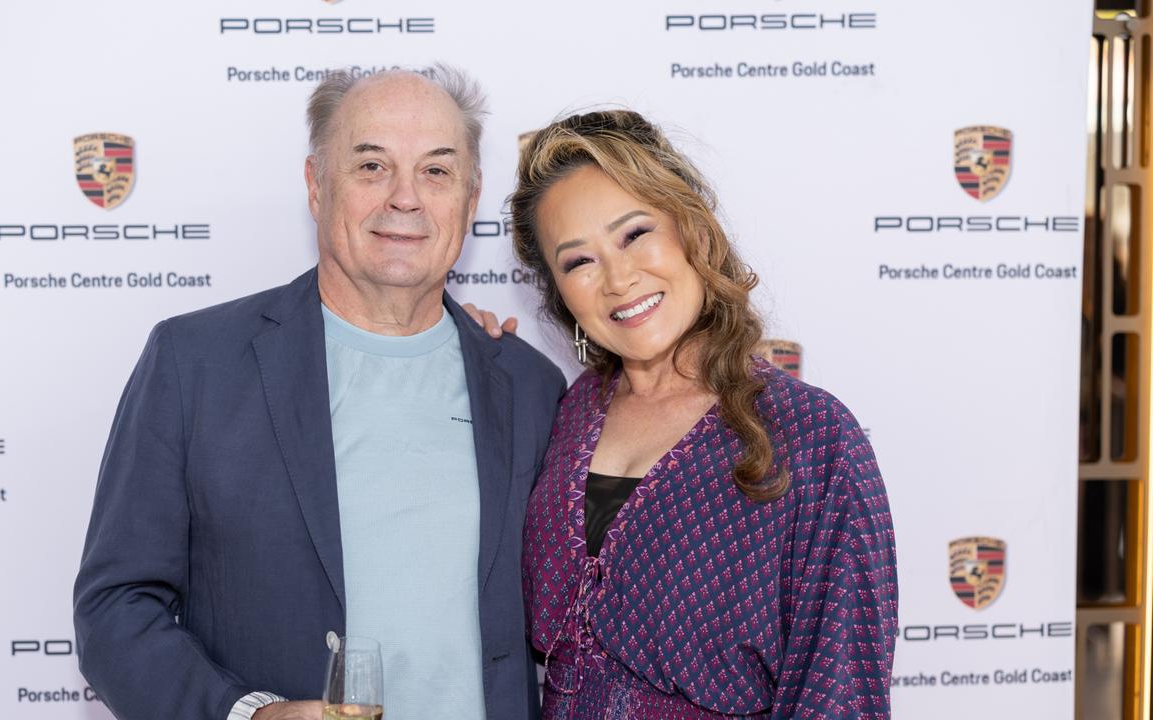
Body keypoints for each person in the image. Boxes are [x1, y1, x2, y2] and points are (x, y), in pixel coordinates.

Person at [72, 66, 565, 720]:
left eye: (437, 171)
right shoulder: (194, 364)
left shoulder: (530, 385)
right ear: (316, 185)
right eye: (370, 166)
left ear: (471, 201)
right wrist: (248, 714)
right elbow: (115, 609)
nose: (405, 198)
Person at [512, 111, 898, 718]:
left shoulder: (814, 438)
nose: (617, 278)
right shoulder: (566, 414)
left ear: (691, 229)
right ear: (559, 292)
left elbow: (839, 693)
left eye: (634, 234)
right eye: (577, 262)